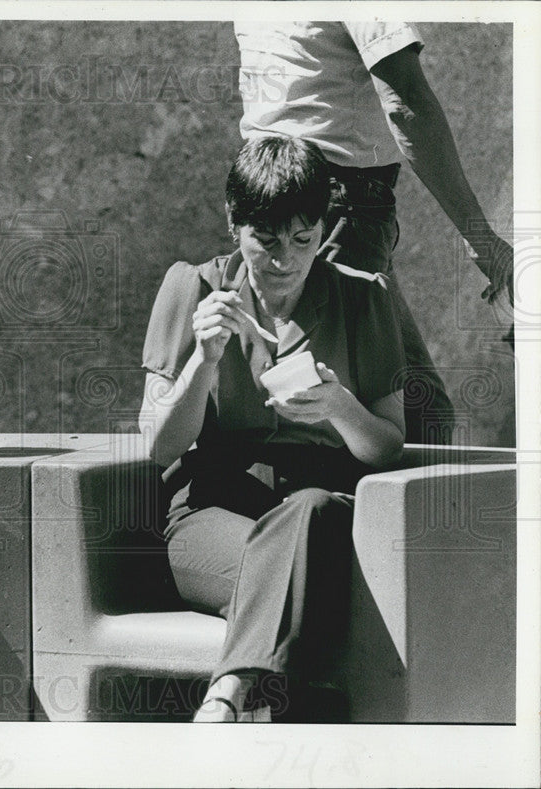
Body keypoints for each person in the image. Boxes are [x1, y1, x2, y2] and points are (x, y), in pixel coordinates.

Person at [140, 136, 407, 722]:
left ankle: (226, 699)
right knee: (294, 581)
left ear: (322, 229)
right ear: (234, 222)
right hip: (213, 508)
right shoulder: (195, 287)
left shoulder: (362, 299)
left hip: (321, 509)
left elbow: (386, 445)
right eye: (264, 239)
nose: (283, 258)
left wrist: (341, 407)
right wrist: (201, 363)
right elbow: (159, 444)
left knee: (308, 513)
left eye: (302, 239)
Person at [235, 21, 515, 444]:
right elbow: (405, 103)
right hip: (333, 210)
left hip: (295, 198)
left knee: (422, 418)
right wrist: (481, 240)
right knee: (339, 426)